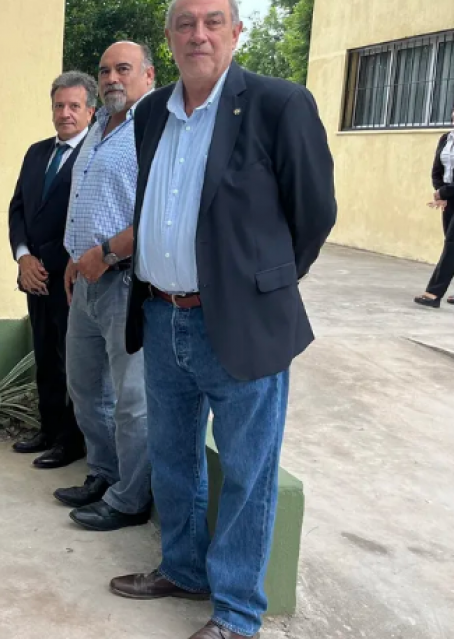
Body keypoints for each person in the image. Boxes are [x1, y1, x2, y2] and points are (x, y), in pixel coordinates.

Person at [109, 0, 336, 637]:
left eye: (213, 21)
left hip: (238, 326)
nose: (198, 34)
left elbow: (313, 212)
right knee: (174, 460)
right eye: (185, 22)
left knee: (247, 472)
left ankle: (237, 614)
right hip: (160, 316)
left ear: (237, 31)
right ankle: (183, 569)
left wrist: (262, 287)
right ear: (169, 36)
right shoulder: (151, 111)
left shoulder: (278, 104)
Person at [51, 42, 155, 532]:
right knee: (85, 386)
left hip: (124, 282)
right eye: (106, 70)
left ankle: (132, 499)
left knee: (132, 399)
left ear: (148, 76)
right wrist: (76, 256)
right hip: (85, 281)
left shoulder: (152, 130)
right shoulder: (97, 128)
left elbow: (156, 214)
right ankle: (104, 473)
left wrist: (106, 253)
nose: (112, 77)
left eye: (124, 69)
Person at [7, 71, 95, 469]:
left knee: (72, 361)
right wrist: (24, 257)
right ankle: (48, 428)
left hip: (72, 278)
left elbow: (90, 218)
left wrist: (57, 264)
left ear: (90, 110)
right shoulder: (36, 152)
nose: (65, 114)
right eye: (59, 106)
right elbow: (19, 209)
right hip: (35, 277)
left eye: (74, 106)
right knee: (44, 353)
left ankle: (71, 441)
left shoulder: (95, 154)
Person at [414, 107, 454, 308]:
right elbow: (436, 170)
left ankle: (433, 293)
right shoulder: (446, 139)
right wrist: (440, 192)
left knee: (452, 244)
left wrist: (444, 193)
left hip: (449, 195)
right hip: (449, 199)